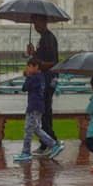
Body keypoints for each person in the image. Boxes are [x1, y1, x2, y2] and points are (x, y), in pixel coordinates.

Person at [13, 59, 64, 162]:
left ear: (36, 67)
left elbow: (24, 88)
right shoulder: (40, 77)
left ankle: (26, 153)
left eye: (29, 66)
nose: (27, 68)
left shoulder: (35, 78)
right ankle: (54, 144)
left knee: (28, 130)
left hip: (34, 106)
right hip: (37, 106)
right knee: (36, 129)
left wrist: (28, 76)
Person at [26, 14, 59, 154]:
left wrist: (37, 64)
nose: (35, 26)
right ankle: (47, 142)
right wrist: (33, 53)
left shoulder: (48, 39)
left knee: (43, 112)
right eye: (33, 23)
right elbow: (40, 60)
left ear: (44, 21)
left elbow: (53, 62)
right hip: (44, 79)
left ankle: (51, 142)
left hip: (48, 79)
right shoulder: (43, 38)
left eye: (36, 22)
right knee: (43, 113)